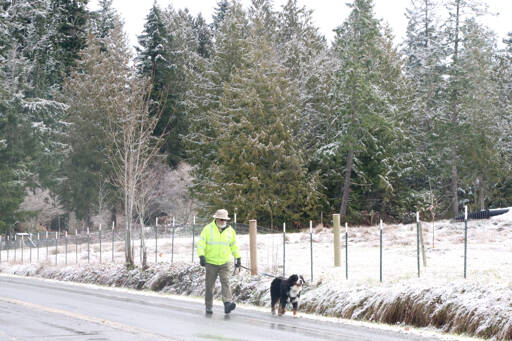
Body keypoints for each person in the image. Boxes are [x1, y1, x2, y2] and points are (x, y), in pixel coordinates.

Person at [197, 209, 241, 315]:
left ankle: (227, 304)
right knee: (209, 285)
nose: (223, 221)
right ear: (216, 218)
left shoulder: (231, 231)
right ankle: (208, 306)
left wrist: (238, 258)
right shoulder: (207, 229)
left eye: (225, 219)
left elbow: (234, 246)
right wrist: (201, 256)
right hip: (211, 262)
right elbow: (201, 244)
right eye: (221, 219)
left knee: (226, 281)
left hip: (225, 262)